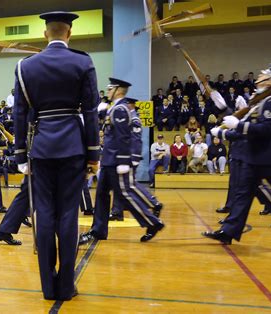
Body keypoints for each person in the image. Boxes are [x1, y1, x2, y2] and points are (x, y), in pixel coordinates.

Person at [13, 11, 100, 301]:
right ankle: (66, 285)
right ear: (69, 33)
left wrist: (20, 155)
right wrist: (93, 153)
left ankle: (48, 287)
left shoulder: (26, 66)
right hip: (74, 146)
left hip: (40, 147)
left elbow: (19, 114)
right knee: (68, 215)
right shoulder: (82, 61)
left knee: (44, 213)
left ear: (45, 34)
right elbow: (89, 111)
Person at [79, 80, 164, 247]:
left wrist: (124, 161)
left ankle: (152, 222)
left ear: (118, 91)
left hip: (116, 161)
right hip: (109, 161)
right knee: (102, 196)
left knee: (125, 195)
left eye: (111, 88)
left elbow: (123, 137)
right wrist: (102, 112)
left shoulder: (120, 109)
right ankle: (98, 230)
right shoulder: (115, 108)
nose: (108, 90)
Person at [203, 64, 271, 244]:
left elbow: (267, 129)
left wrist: (237, 126)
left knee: (265, 193)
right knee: (242, 194)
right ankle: (228, 231)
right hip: (253, 157)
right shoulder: (259, 101)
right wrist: (224, 132)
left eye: (262, 76)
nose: (258, 79)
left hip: (265, 158)